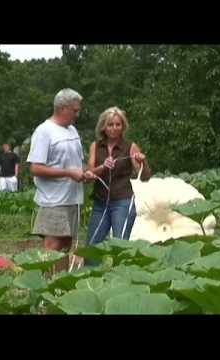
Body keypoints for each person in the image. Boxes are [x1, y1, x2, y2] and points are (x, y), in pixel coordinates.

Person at [27, 88, 91, 253]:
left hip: (73, 199)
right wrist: (69, 173)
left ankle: (61, 277)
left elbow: (77, 163)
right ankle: (47, 279)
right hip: (54, 201)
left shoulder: (72, 130)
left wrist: (85, 172)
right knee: (53, 248)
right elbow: (35, 168)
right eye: (75, 110)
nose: (78, 114)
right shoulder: (44, 132)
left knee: (67, 245)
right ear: (63, 108)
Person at [86, 106, 152, 246]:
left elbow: (145, 177)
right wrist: (103, 166)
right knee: (92, 245)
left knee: (120, 244)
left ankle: (120, 268)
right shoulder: (96, 146)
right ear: (103, 127)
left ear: (123, 127)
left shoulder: (130, 146)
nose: (114, 128)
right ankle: (91, 268)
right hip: (100, 203)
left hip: (123, 202)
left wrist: (142, 161)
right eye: (110, 125)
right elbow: (89, 175)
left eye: (118, 124)